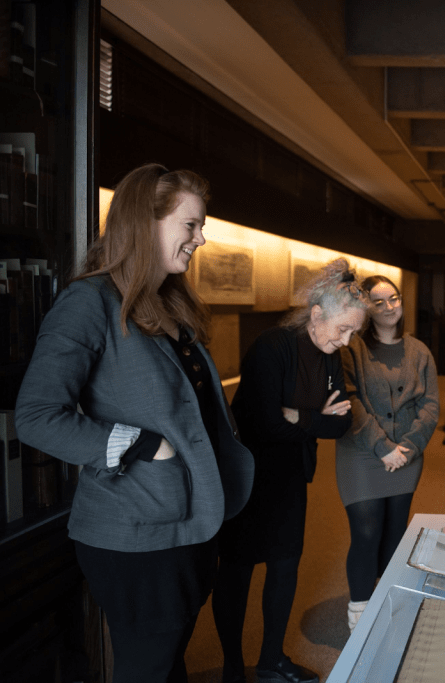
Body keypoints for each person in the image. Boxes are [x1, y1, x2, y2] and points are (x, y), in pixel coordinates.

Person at [14, 163, 254, 683]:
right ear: (145, 222)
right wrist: (143, 444)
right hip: (135, 532)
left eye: (201, 225)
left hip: (190, 520)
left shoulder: (169, 302)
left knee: (170, 663)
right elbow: (35, 417)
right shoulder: (88, 302)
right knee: (149, 668)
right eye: (191, 224)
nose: (201, 238)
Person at [212, 259, 366, 683]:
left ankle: (271, 659)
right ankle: (231, 666)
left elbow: (341, 424)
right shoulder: (273, 346)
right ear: (316, 314)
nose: (346, 340)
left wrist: (298, 416)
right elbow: (264, 424)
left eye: (353, 332)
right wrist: (315, 418)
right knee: (238, 571)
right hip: (249, 474)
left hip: (291, 474)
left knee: (284, 567)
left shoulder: (331, 356)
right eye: (343, 329)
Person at [335, 275, 439, 630]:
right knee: (366, 533)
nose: (388, 307)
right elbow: (350, 400)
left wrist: (408, 447)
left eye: (393, 299)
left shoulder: (419, 351)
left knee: (395, 534)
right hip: (362, 454)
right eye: (378, 302)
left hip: (407, 455)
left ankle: (390, 601)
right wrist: (382, 447)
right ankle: (360, 611)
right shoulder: (350, 348)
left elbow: (430, 404)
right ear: (366, 308)